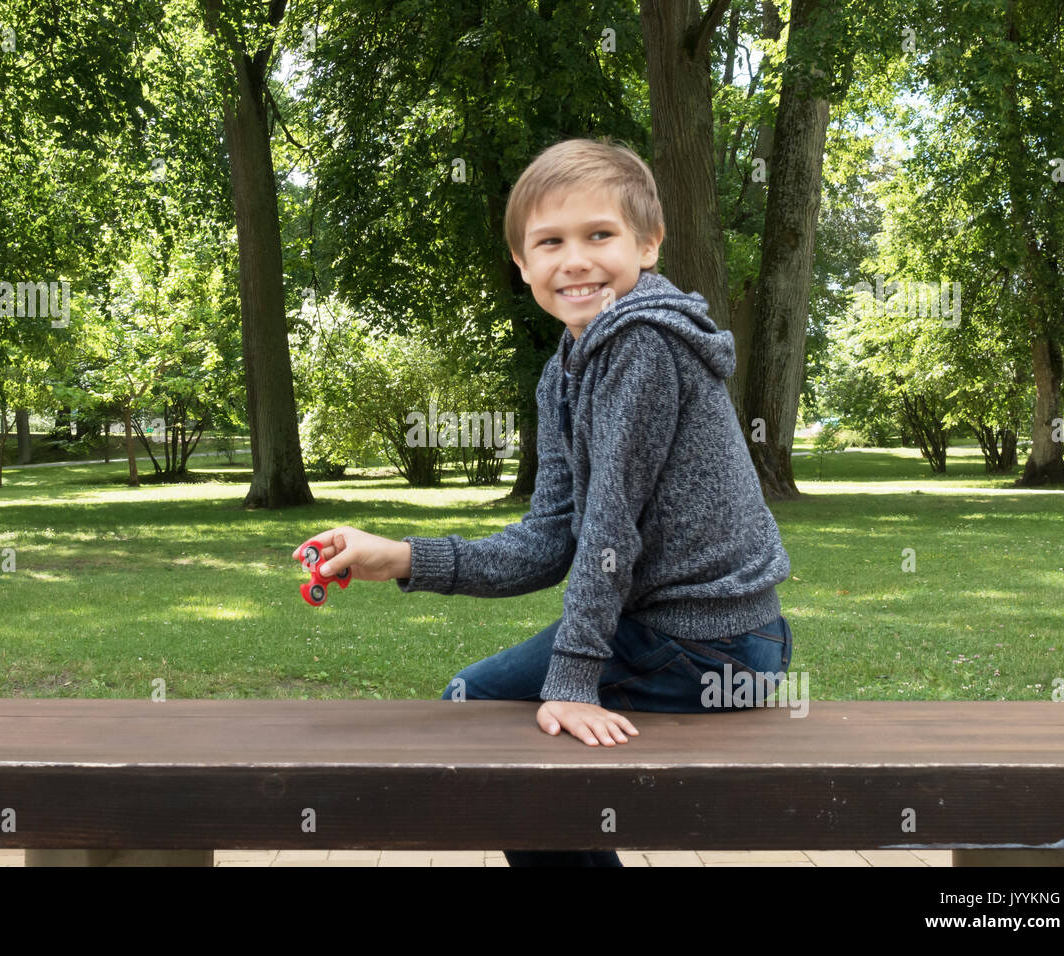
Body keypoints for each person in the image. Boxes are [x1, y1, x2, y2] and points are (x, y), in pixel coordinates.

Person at [293, 136, 793, 867]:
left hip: (711, 647)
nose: (576, 260)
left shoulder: (643, 345)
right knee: (477, 707)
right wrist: (399, 558)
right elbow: (548, 540)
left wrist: (571, 682)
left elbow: (607, 535)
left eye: (600, 235)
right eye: (550, 242)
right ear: (523, 265)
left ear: (648, 244)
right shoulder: (564, 374)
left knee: (486, 719)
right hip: (677, 640)